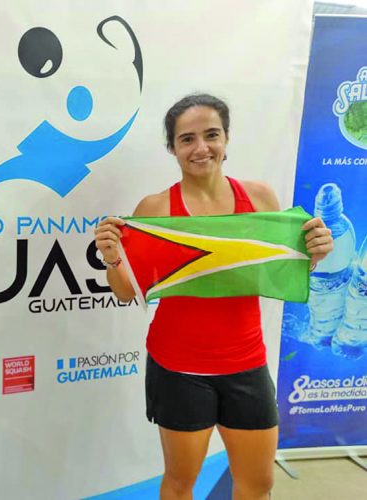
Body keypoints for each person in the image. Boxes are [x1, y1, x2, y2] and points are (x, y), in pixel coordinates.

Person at [93, 94, 333, 500]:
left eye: (211, 135)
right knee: (180, 483)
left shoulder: (259, 200)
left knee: (258, 484)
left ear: (226, 139)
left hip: (246, 362)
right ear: (172, 148)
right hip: (178, 366)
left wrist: (313, 255)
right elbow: (127, 292)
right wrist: (113, 258)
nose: (201, 148)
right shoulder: (155, 209)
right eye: (187, 139)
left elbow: (278, 272)